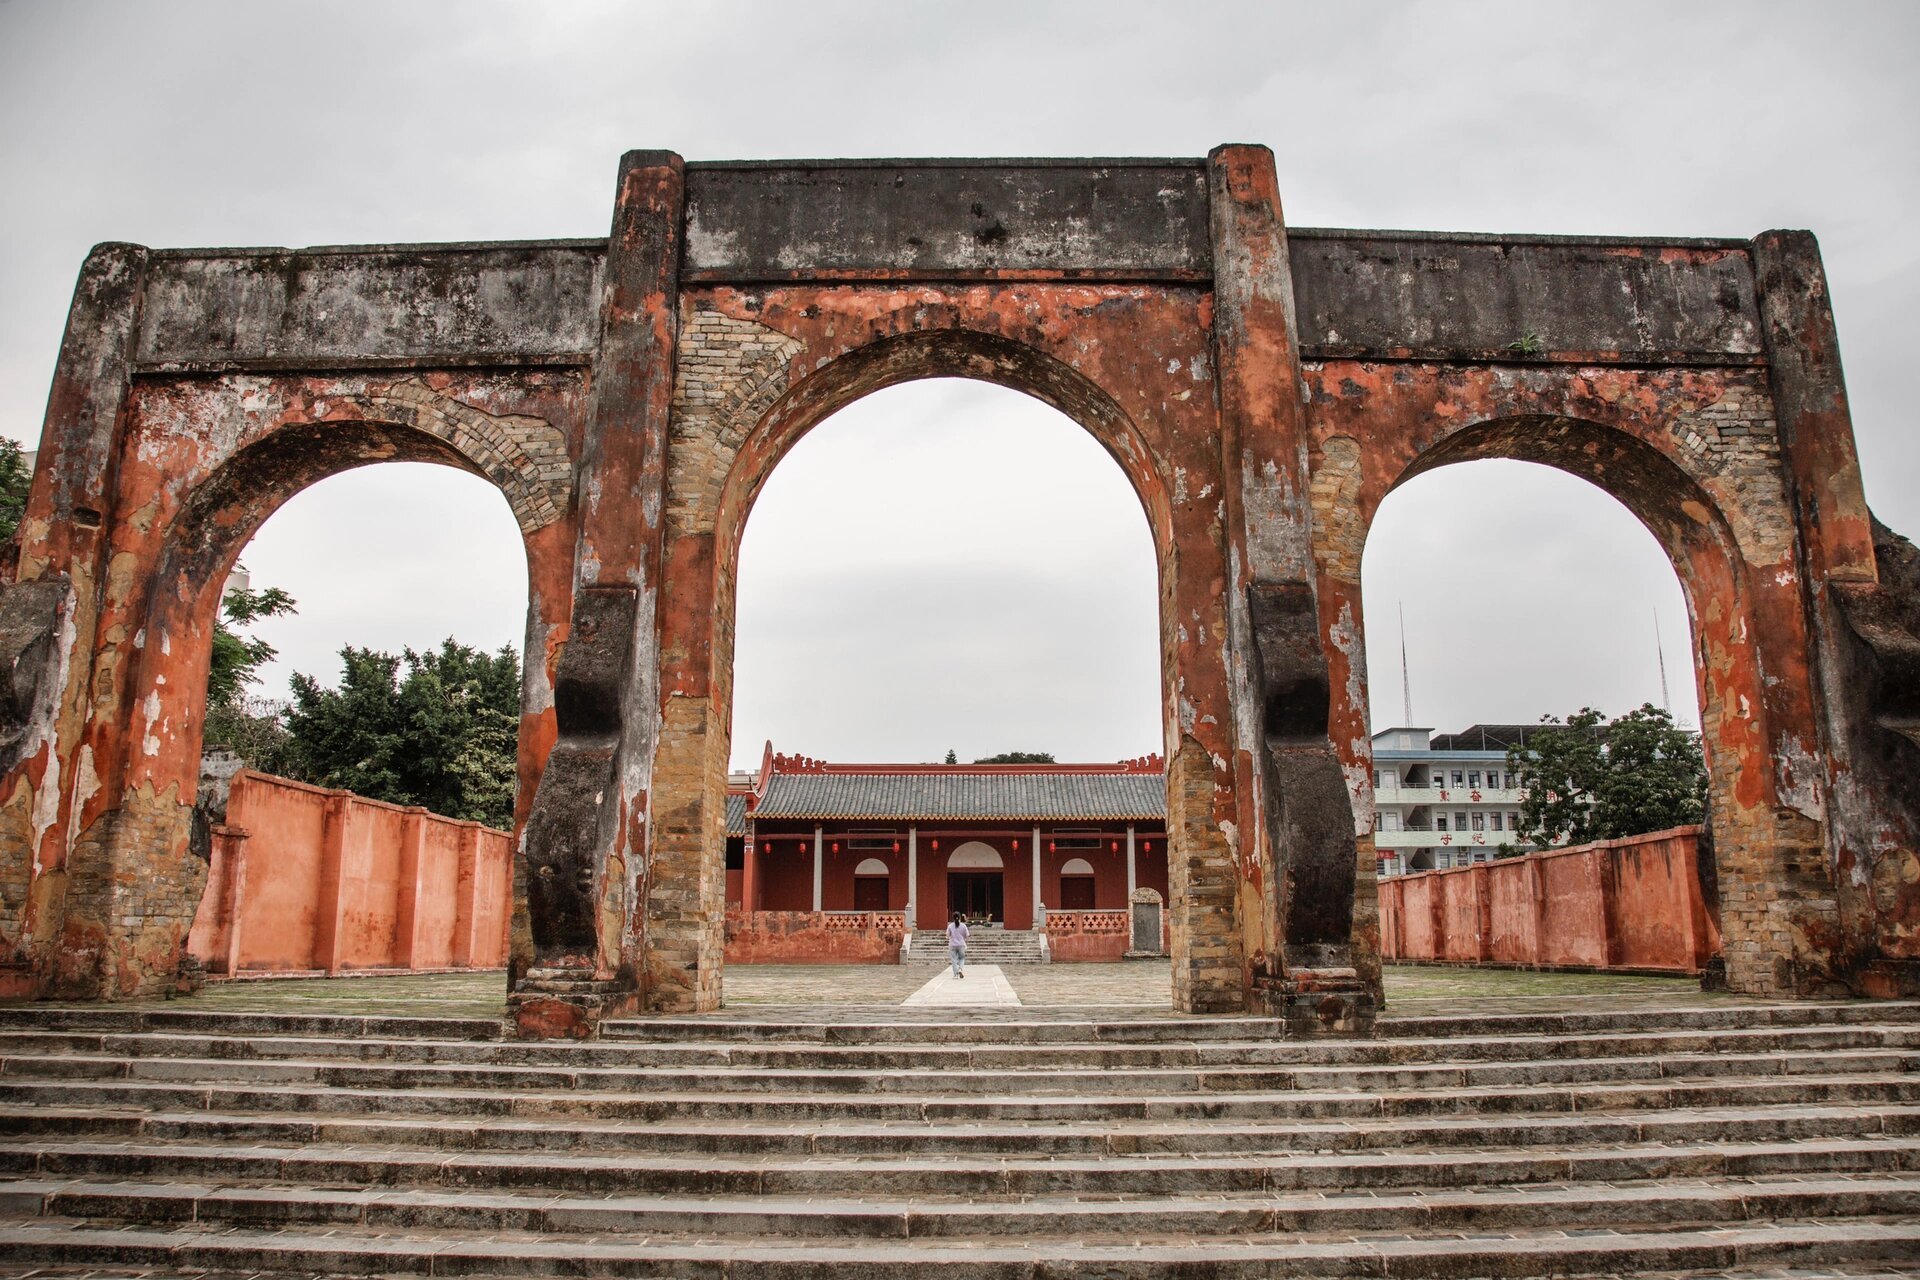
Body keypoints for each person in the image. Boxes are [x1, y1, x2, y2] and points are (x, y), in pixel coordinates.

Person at [946, 912, 969, 978]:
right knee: (962, 958)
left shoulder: (950, 926)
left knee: (954, 960)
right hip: (961, 944)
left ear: (953, 917)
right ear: (960, 917)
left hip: (952, 945)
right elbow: (967, 935)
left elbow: (947, 935)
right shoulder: (963, 926)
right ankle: (960, 969)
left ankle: (955, 975)